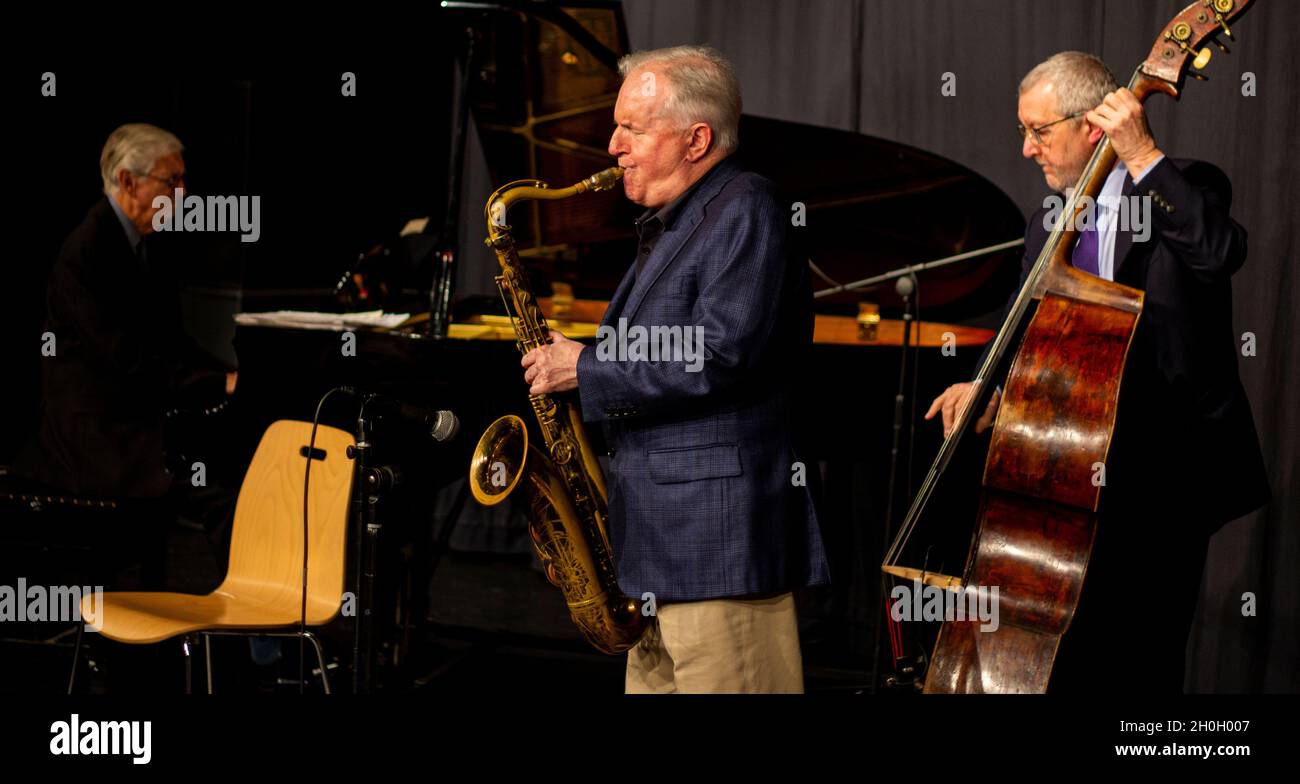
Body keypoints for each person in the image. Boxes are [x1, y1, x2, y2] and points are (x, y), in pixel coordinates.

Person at [925, 52, 1269, 692]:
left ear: (1093, 125)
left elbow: (1219, 253)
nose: (1026, 149)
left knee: (1144, 654)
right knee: (1073, 648)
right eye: (1023, 131)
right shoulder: (1048, 218)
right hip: (1069, 462)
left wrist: (1141, 154)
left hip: (1163, 466)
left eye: (1039, 131)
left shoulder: (1186, 184)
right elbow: (1024, 317)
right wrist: (990, 383)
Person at [520, 45, 829, 693]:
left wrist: (591, 369)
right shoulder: (683, 219)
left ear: (697, 139)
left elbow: (719, 353)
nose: (612, 146)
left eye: (632, 128)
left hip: (716, 550)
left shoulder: (746, 207)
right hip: (656, 552)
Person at [17, 123, 236, 587]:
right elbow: (127, 360)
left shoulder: (146, 248)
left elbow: (172, 343)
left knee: (230, 471)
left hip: (130, 422)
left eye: (182, 180)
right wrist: (217, 386)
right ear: (128, 181)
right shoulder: (86, 251)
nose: (182, 192)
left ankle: (264, 631)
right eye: (170, 181)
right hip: (93, 439)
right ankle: (264, 633)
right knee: (214, 490)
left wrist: (226, 374)